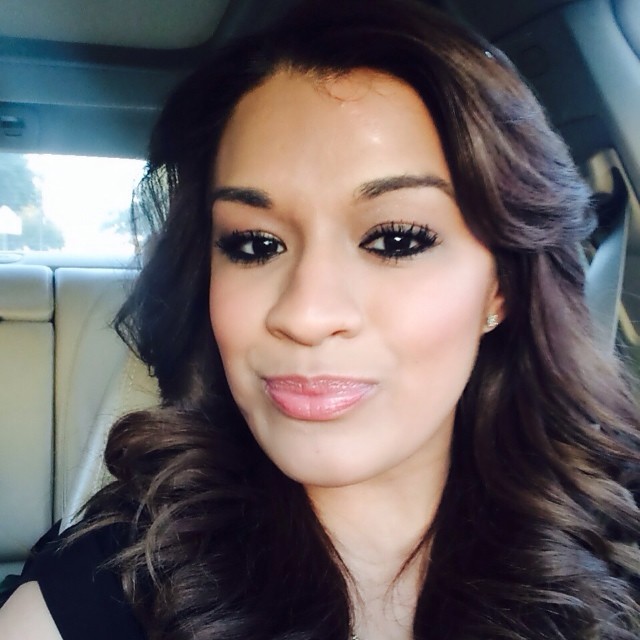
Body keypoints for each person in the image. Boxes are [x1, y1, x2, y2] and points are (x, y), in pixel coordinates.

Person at [1, 0, 638, 638]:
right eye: (255, 244)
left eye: (395, 240)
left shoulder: (613, 552)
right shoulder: (105, 588)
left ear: (500, 287)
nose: (305, 314)